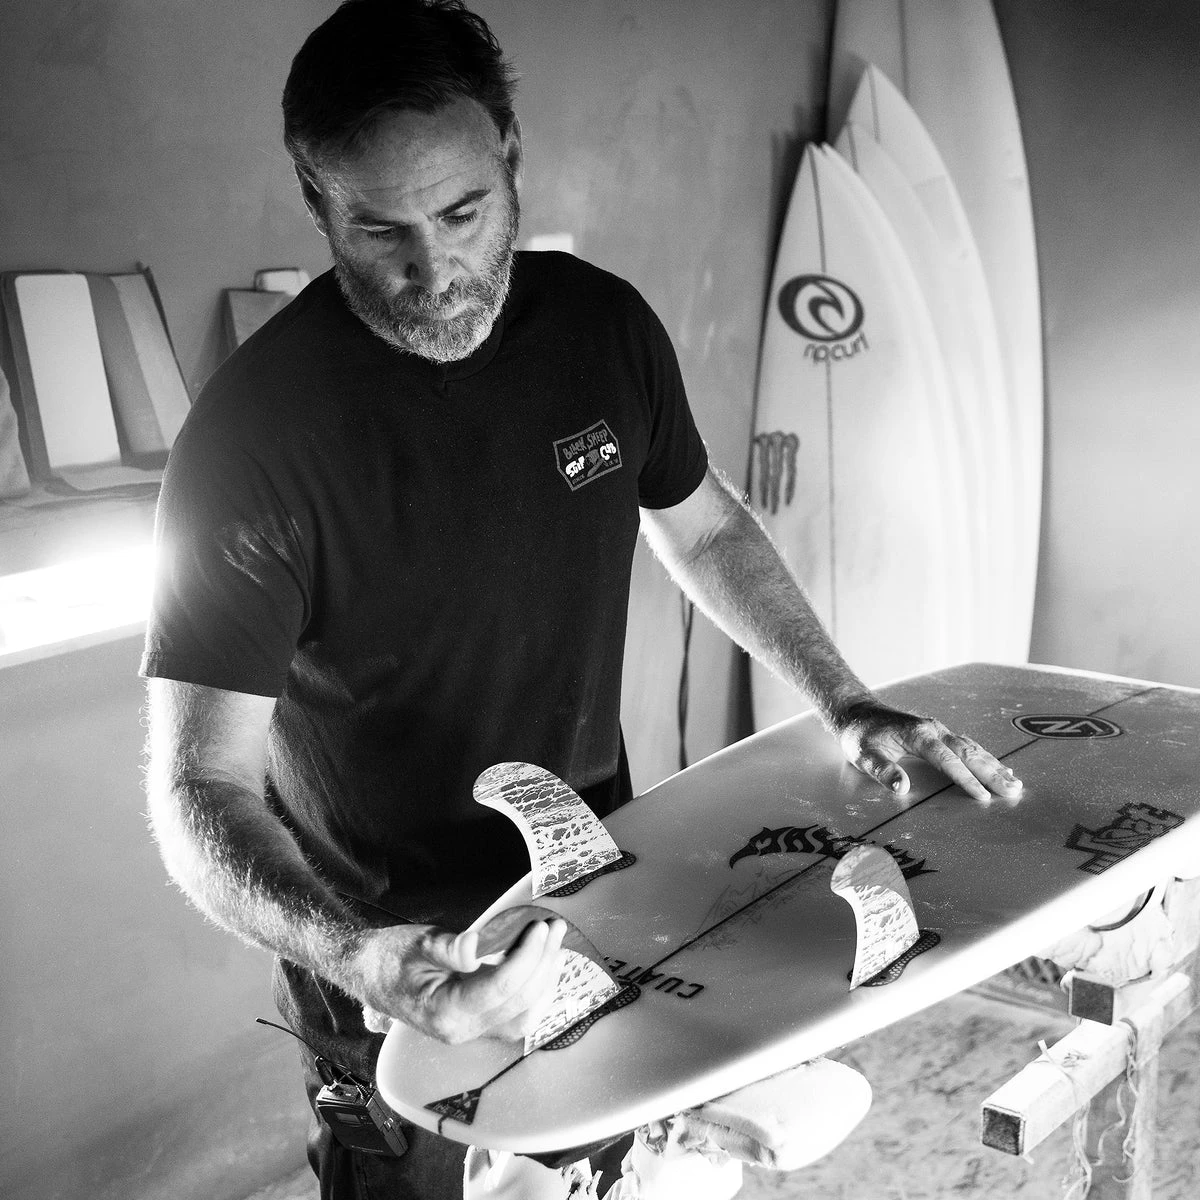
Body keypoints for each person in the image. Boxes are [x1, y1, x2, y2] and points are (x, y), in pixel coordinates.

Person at [141, 2, 1024, 1197]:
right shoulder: (248, 445)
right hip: (382, 946)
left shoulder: (601, 330)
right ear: (316, 201)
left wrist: (845, 698)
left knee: (600, 1162)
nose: (432, 271)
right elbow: (200, 784)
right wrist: (362, 957)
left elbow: (706, 528)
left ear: (511, 155)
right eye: (378, 229)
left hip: (590, 887)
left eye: (463, 213)